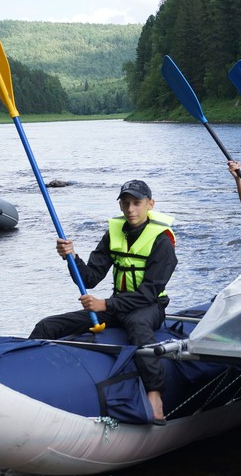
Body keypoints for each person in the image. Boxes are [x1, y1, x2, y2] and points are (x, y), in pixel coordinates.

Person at [30, 180, 176, 424]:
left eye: (137, 203)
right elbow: (90, 277)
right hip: (116, 305)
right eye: (125, 203)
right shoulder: (114, 233)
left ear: (150, 204)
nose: (130, 209)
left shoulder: (162, 241)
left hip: (149, 307)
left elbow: (149, 293)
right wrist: (72, 257)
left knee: (140, 331)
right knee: (47, 326)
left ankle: (155, 394)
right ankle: (29, 374)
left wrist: (105, 306)